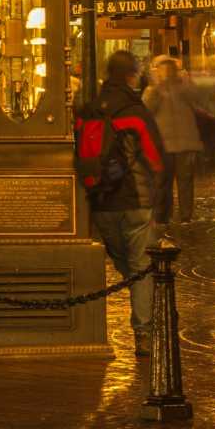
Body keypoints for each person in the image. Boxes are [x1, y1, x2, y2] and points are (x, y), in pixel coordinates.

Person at [75, 50, 166, 353]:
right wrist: (160, 197)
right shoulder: (135, 112)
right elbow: (154, 157)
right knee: (140, 266)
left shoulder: (88, 112)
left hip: (101, 201)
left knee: (124, 262)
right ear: (131, 76)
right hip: (135, 200)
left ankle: (142, 297)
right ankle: (143, 332)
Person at [144, 56, 202, 224]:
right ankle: (163, 216)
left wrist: (186, 81)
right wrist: (156, 87)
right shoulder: (153, 90)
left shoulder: (183, 87)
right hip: (164, 143)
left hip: (184, 142)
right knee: (163, 181)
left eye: (169, 69)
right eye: (163, 69)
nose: (166, 73)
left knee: (184, 180)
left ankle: (184, 216)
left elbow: (196, 97)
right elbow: (147, 109)